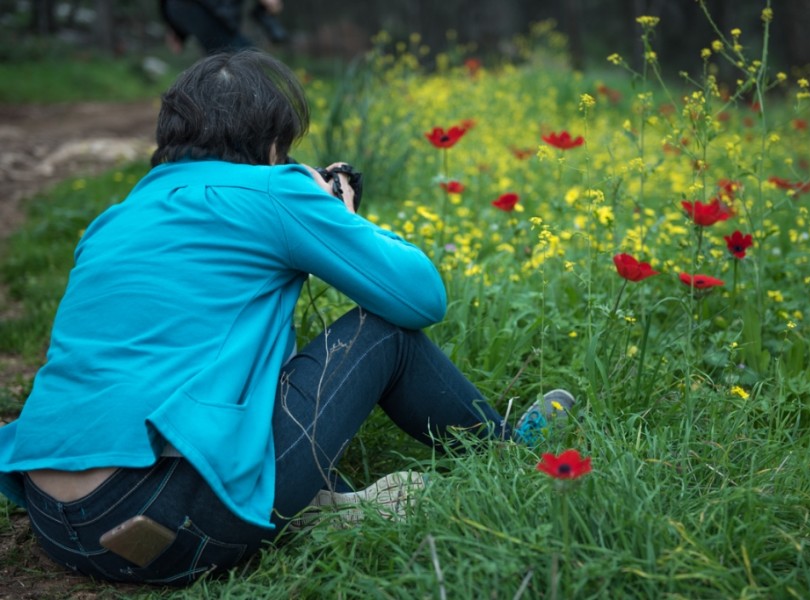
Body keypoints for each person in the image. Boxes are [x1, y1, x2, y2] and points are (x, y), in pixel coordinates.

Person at [0, 50, 574, 586]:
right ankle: (512, 459)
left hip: (57, 522)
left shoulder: (113, 219)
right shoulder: (275, 191)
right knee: (382, 332)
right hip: (164, 522)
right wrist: (334, 215)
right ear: (274, 141)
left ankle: (322, 502)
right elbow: (421, 297)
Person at [161, 0, 286, 55]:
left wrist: (174, 28)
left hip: (181, 8)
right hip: (201, 9)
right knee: (245, 57)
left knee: (232, 57)